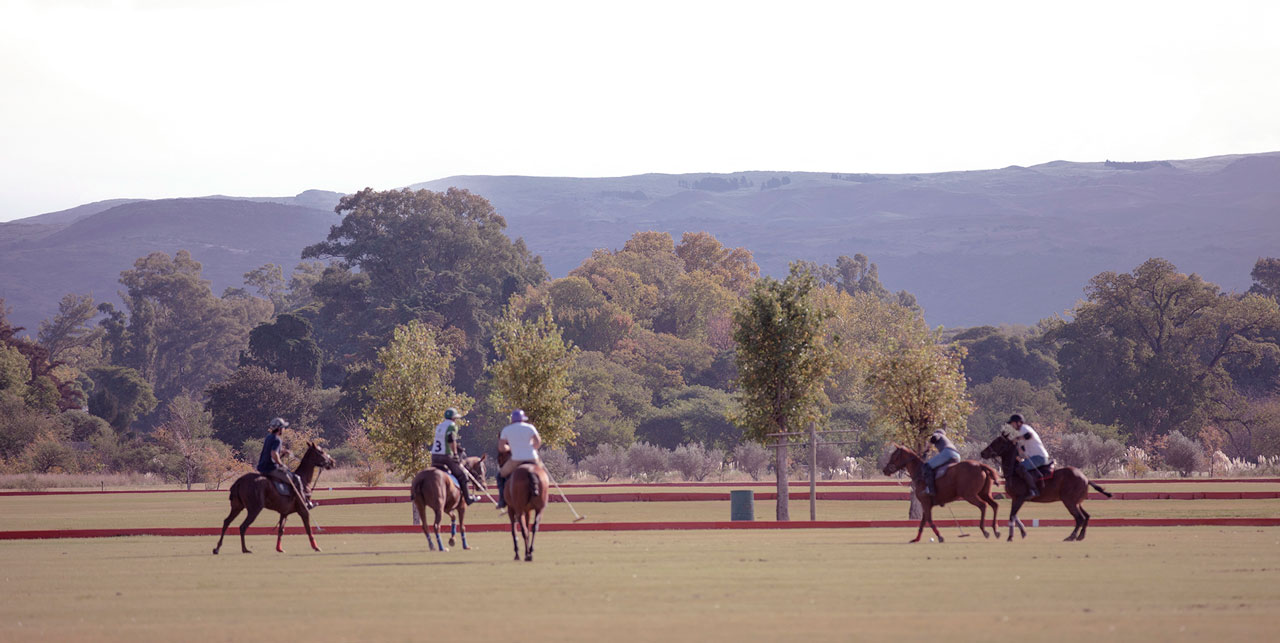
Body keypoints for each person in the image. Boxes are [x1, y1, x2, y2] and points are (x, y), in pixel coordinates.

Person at [256, 417, 315, 509]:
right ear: (279, 429)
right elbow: (274, 453)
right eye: (283, 427)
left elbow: (271, 451)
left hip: (261, 467)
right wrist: (281, 464)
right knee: (296, 479)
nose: (284, 429)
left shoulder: (268, 437)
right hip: (270, 468)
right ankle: (304, 503)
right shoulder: (277, 439)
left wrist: (283, 451)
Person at [495, 409, 542, 510]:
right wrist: (530, 447)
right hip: (532, 458)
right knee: (542, 473)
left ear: (512, 420)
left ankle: (502, 500)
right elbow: (538, 442)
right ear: (523, 419)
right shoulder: (530, 427)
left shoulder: (506, 430)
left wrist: (510, 447)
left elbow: (501, 448)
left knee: (500, 475)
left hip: (516, 459)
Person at [429, 408, 477, 505]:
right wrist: (455, 454)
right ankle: (468, 498)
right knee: (462, 475)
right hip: (445, 456)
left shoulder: (439, 426)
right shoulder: (452, 426)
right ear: (454, 418)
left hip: (434, 456)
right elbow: (451, 439)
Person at [1003, 414, 1049, 498]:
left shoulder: (1024, 428)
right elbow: (1023, 448)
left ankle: (1034, 490)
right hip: (1036, 457)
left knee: (1021, 468)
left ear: (1018, 423)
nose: (1012, 426)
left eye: (1013, 424)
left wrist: (1016, 439)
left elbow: (1029, 435)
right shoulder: (1022, 431)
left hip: (1039, 457)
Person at [920, 429, 961, 496]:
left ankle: (931, 490)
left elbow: (934, 438)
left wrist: (927, 448)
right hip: (957, 455)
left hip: (948, 453)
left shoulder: (938, 434)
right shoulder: (947, 439)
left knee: (927, 466)